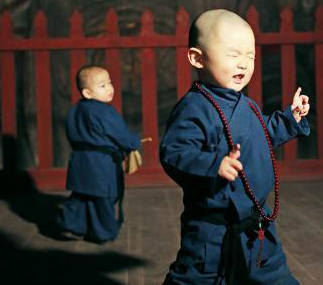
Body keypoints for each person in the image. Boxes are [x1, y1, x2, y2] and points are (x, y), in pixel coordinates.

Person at [160, 9, 310, 285]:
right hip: (211, 230)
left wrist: (290, 119)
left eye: (249, 56)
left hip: (257, 225)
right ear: (197, 58)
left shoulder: (246, 104)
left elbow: (262, 135)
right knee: (196, 280)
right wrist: (213, 164)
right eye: (233, 55)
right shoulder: (194, 108)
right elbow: (174, 153)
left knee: (275, 278)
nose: (243, 64)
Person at [55, 65, 141, 243]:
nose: (110, 88)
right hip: (101, 163)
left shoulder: (76, 109)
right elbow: (120, 133)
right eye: (102, 85)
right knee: (104, 198)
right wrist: (134, 142)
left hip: (79, 160)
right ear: (87, 93)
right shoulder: (103, 112)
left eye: (109, 83)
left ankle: (70, 222)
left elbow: (71, 132)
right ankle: (103, 233)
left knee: (82, 195)